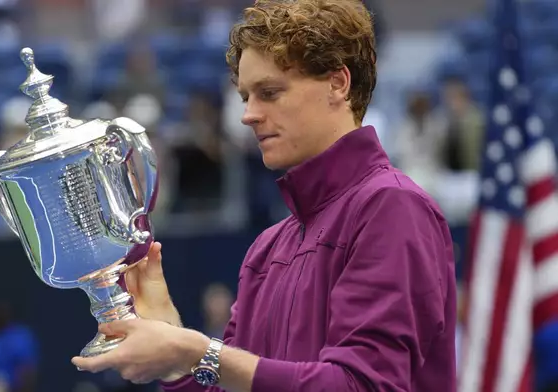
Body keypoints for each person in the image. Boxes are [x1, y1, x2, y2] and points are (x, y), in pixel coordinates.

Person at [73, 1, 457, 391]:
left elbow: (362, 385)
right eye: (245, 97)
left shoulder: (393, 208)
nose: (249, 115)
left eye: (270, 93)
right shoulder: (267, 248)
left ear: (338, 84)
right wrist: (172, 348)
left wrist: (195, 351)